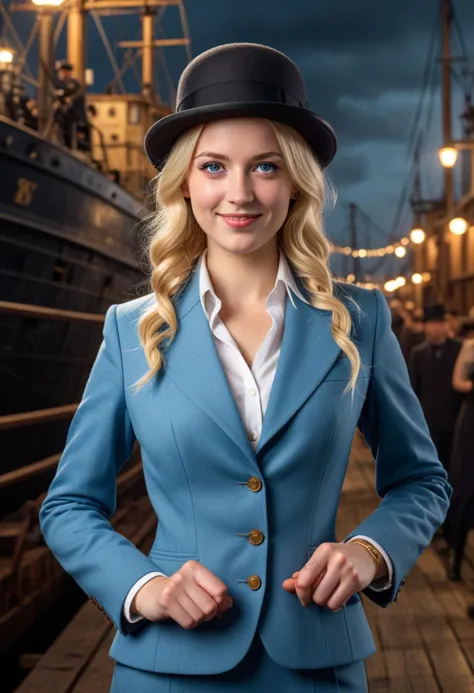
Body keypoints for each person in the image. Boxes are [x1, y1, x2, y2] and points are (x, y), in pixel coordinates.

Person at [39, 43, 451, 693]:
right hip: (167, 665)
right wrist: (144, 588)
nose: (239, 192)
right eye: (213, 166)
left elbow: (423, 481)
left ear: (295, 182)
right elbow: (69, 504)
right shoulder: (130, 328)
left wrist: (368, 554)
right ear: (184, 182)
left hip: (317, 664)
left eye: (264, 166)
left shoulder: (362, 320)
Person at [409, 304, 463, 474]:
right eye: (432, 323)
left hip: (455, 418)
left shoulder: (459, 349)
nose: (436, 328)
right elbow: (413, 388)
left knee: (455, 464)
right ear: (425, 326)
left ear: (447, 325)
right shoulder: (418, 353)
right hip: (429, 419)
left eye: (440, 323)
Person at [444, 318, 474, 582]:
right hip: (471, 423)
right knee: (465, 491)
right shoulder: (470, 348)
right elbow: (458, 381)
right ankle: (456, 554)